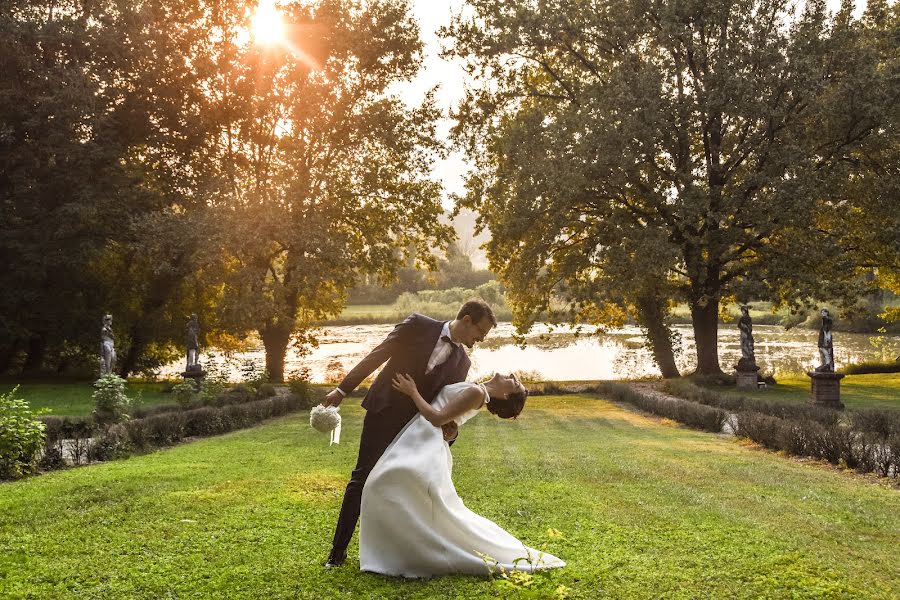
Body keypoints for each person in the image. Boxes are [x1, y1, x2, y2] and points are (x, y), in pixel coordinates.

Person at [322, 299, 497, 568]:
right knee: (361, 479)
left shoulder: (462, 363)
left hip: (413, 428)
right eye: (480, 333)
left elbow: (444, 403)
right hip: (382, 412)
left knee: (406, 487)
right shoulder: (417, 324)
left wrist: (450, 430)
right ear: (467, 321)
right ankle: (337, 552)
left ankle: (401, 553)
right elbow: (377, 355)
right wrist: (342, 390)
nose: (481, 339)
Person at [359, 373, 565, 577]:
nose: (512, 375)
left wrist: (412, 392)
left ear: (504, 394)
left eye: (515, 383)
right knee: (386, 487)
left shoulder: (477, 392)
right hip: (419, 437)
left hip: (425, 442)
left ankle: (405, 551)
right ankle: (401, 549)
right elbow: (447, 416)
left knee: (381, 485)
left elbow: (438, 417)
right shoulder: (477, 389)